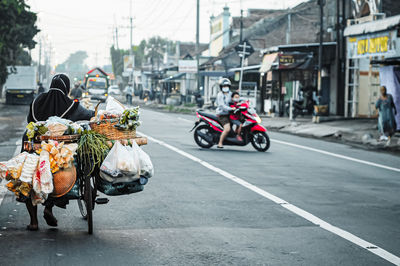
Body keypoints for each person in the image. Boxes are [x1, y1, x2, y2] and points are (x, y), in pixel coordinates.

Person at [24, 73, 95, 231]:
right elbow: (89, 115)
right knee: (66, 168)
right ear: (67, 88)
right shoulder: (71, 105)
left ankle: (34, 222)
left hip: (37, 147)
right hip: (59, 151)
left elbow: (29, 120)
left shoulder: (37, 101)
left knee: (27, 175)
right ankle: (49, 208)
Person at [216, 78, 235, 148]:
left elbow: (236, 98)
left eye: (226, 86)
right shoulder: (220, 95)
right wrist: (230, 108)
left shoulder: (230, 94)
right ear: (221, 87)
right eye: (224, 86)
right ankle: (220, 143)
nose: (225, 88)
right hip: (222, 114)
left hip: (230, 113)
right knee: (227, 129)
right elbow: (222, 106)